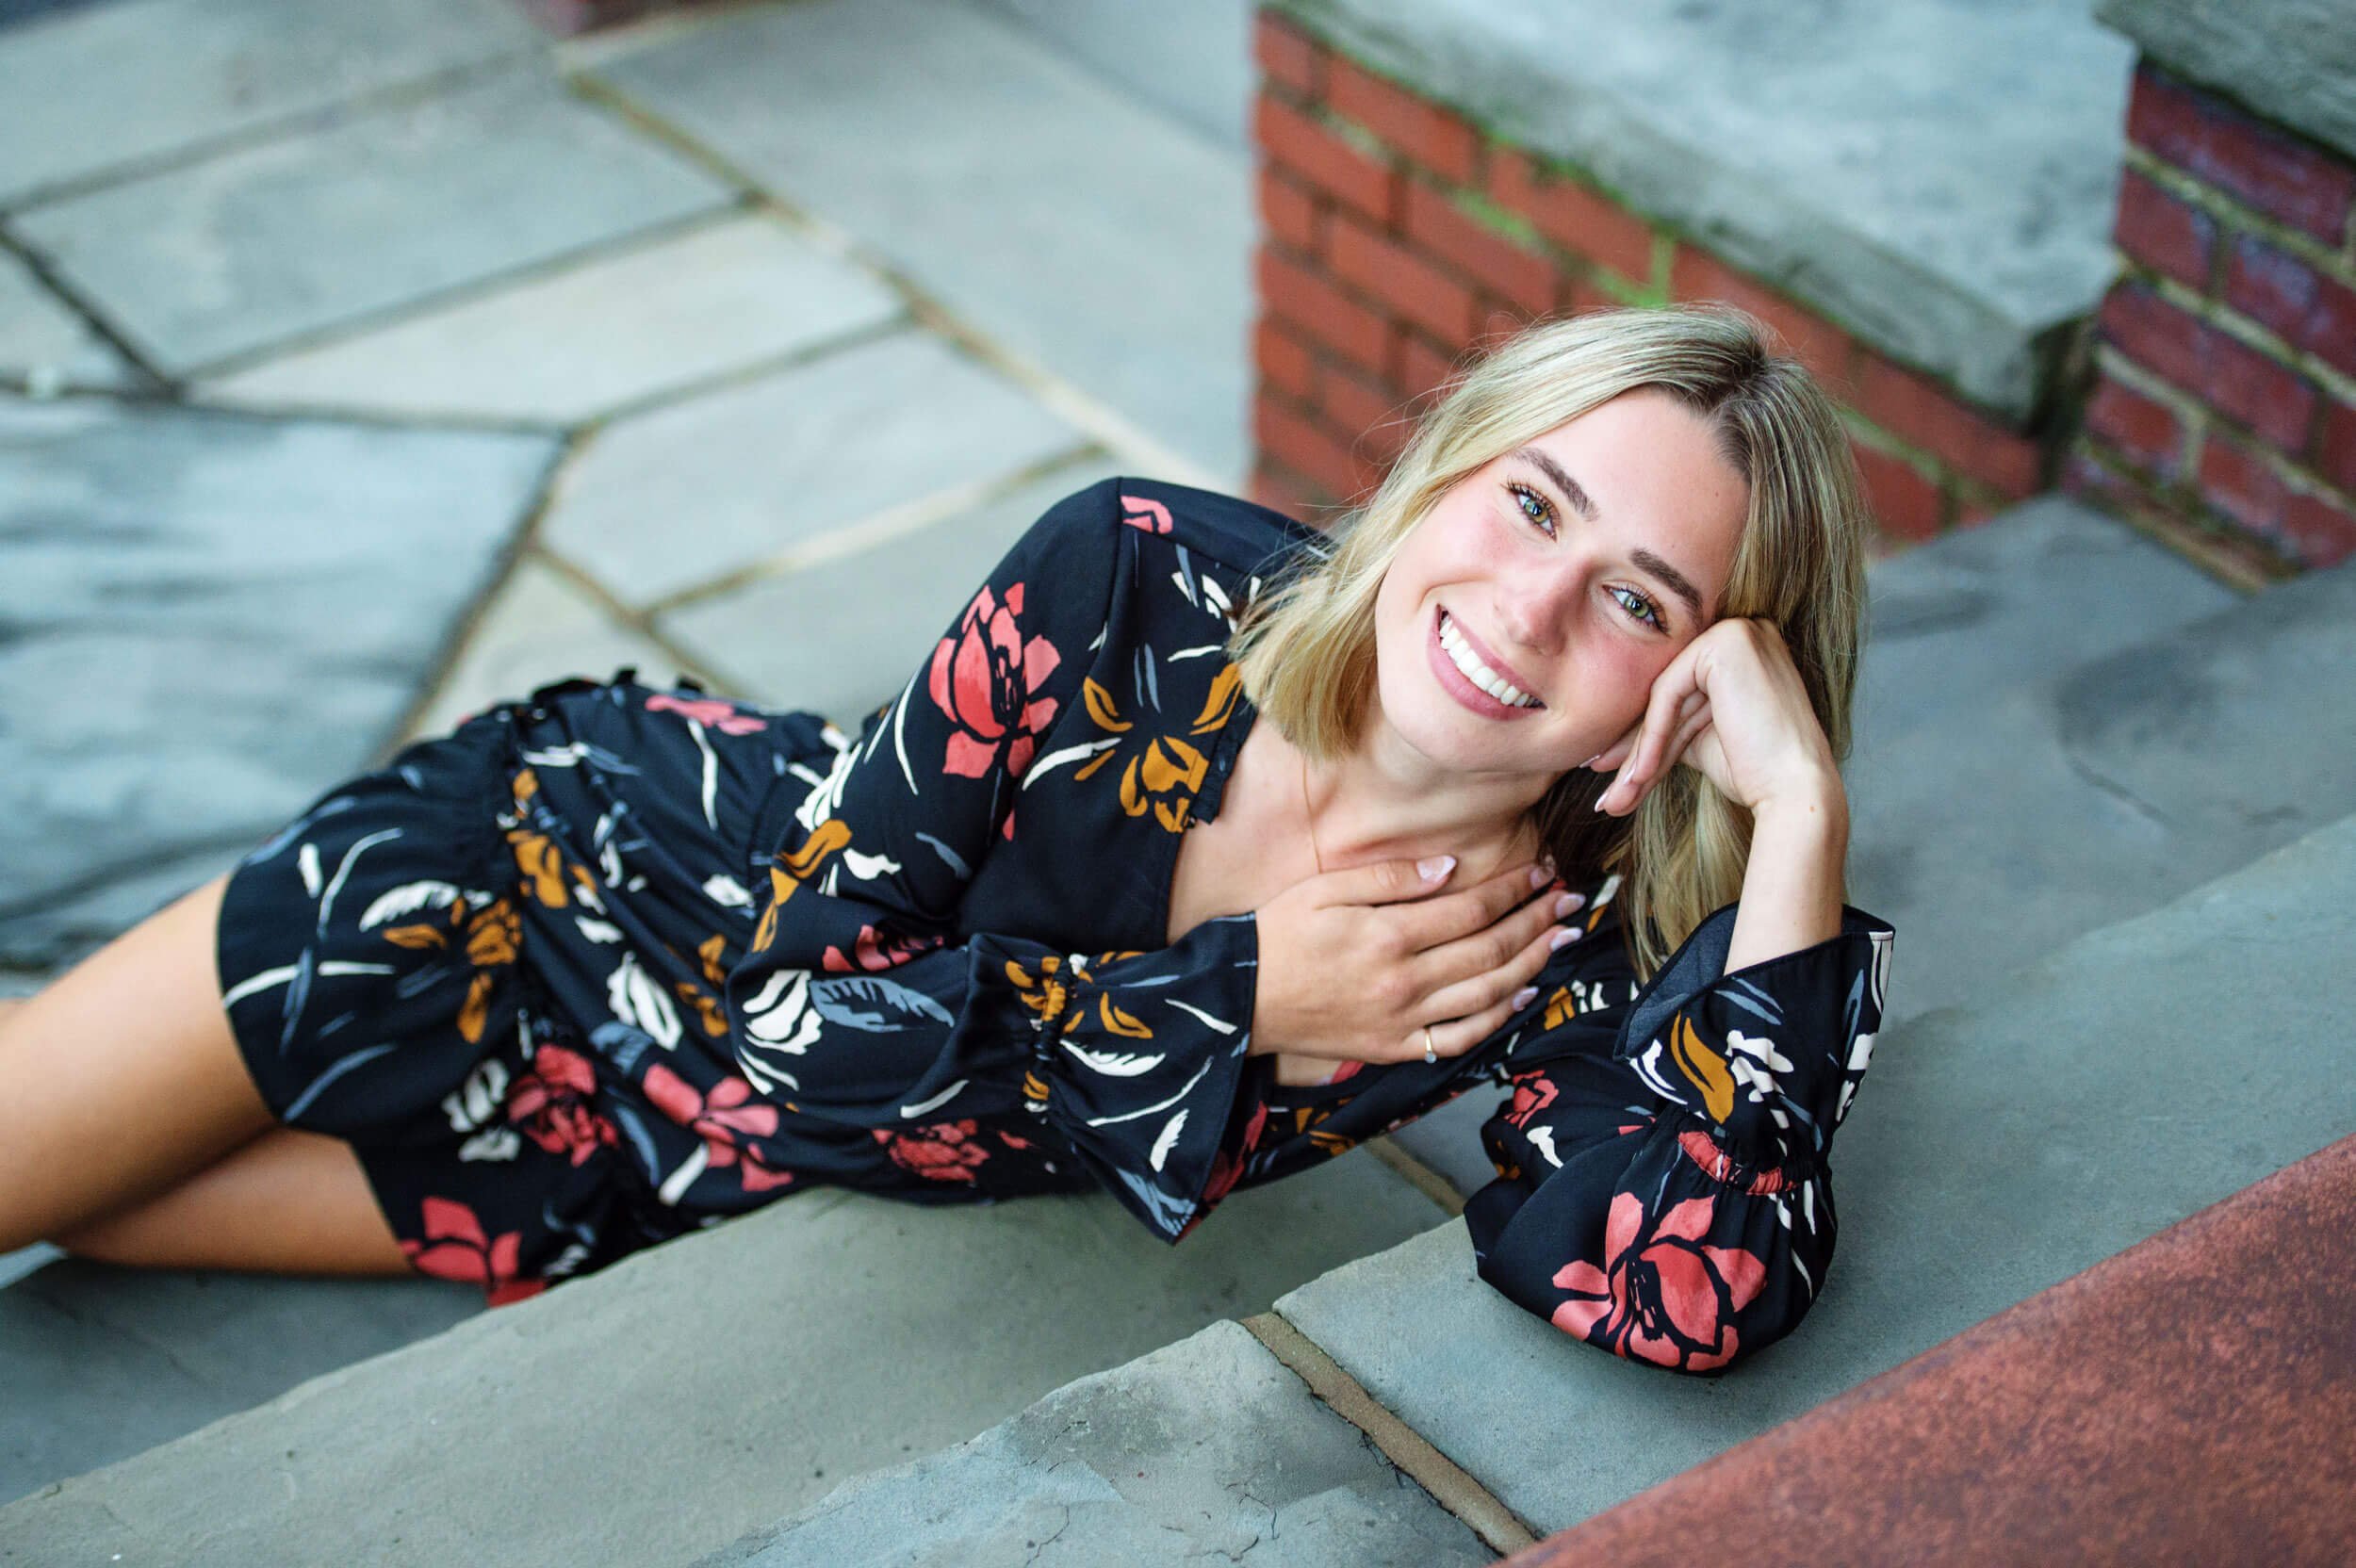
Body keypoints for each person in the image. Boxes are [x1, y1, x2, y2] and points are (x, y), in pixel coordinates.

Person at [0, 302, 1893, 1376]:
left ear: (1697, 679)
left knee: (88, 1197)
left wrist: (1793, 823)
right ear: (1444, 471)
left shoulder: (1557, 929)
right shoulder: (1133, 580)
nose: (1531, 609)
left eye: (1639, 601)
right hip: (558, 881)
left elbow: (1681, 1291)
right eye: (1529, 501)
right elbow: (792, 1018)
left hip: (652, 1171)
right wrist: (1233, 996)